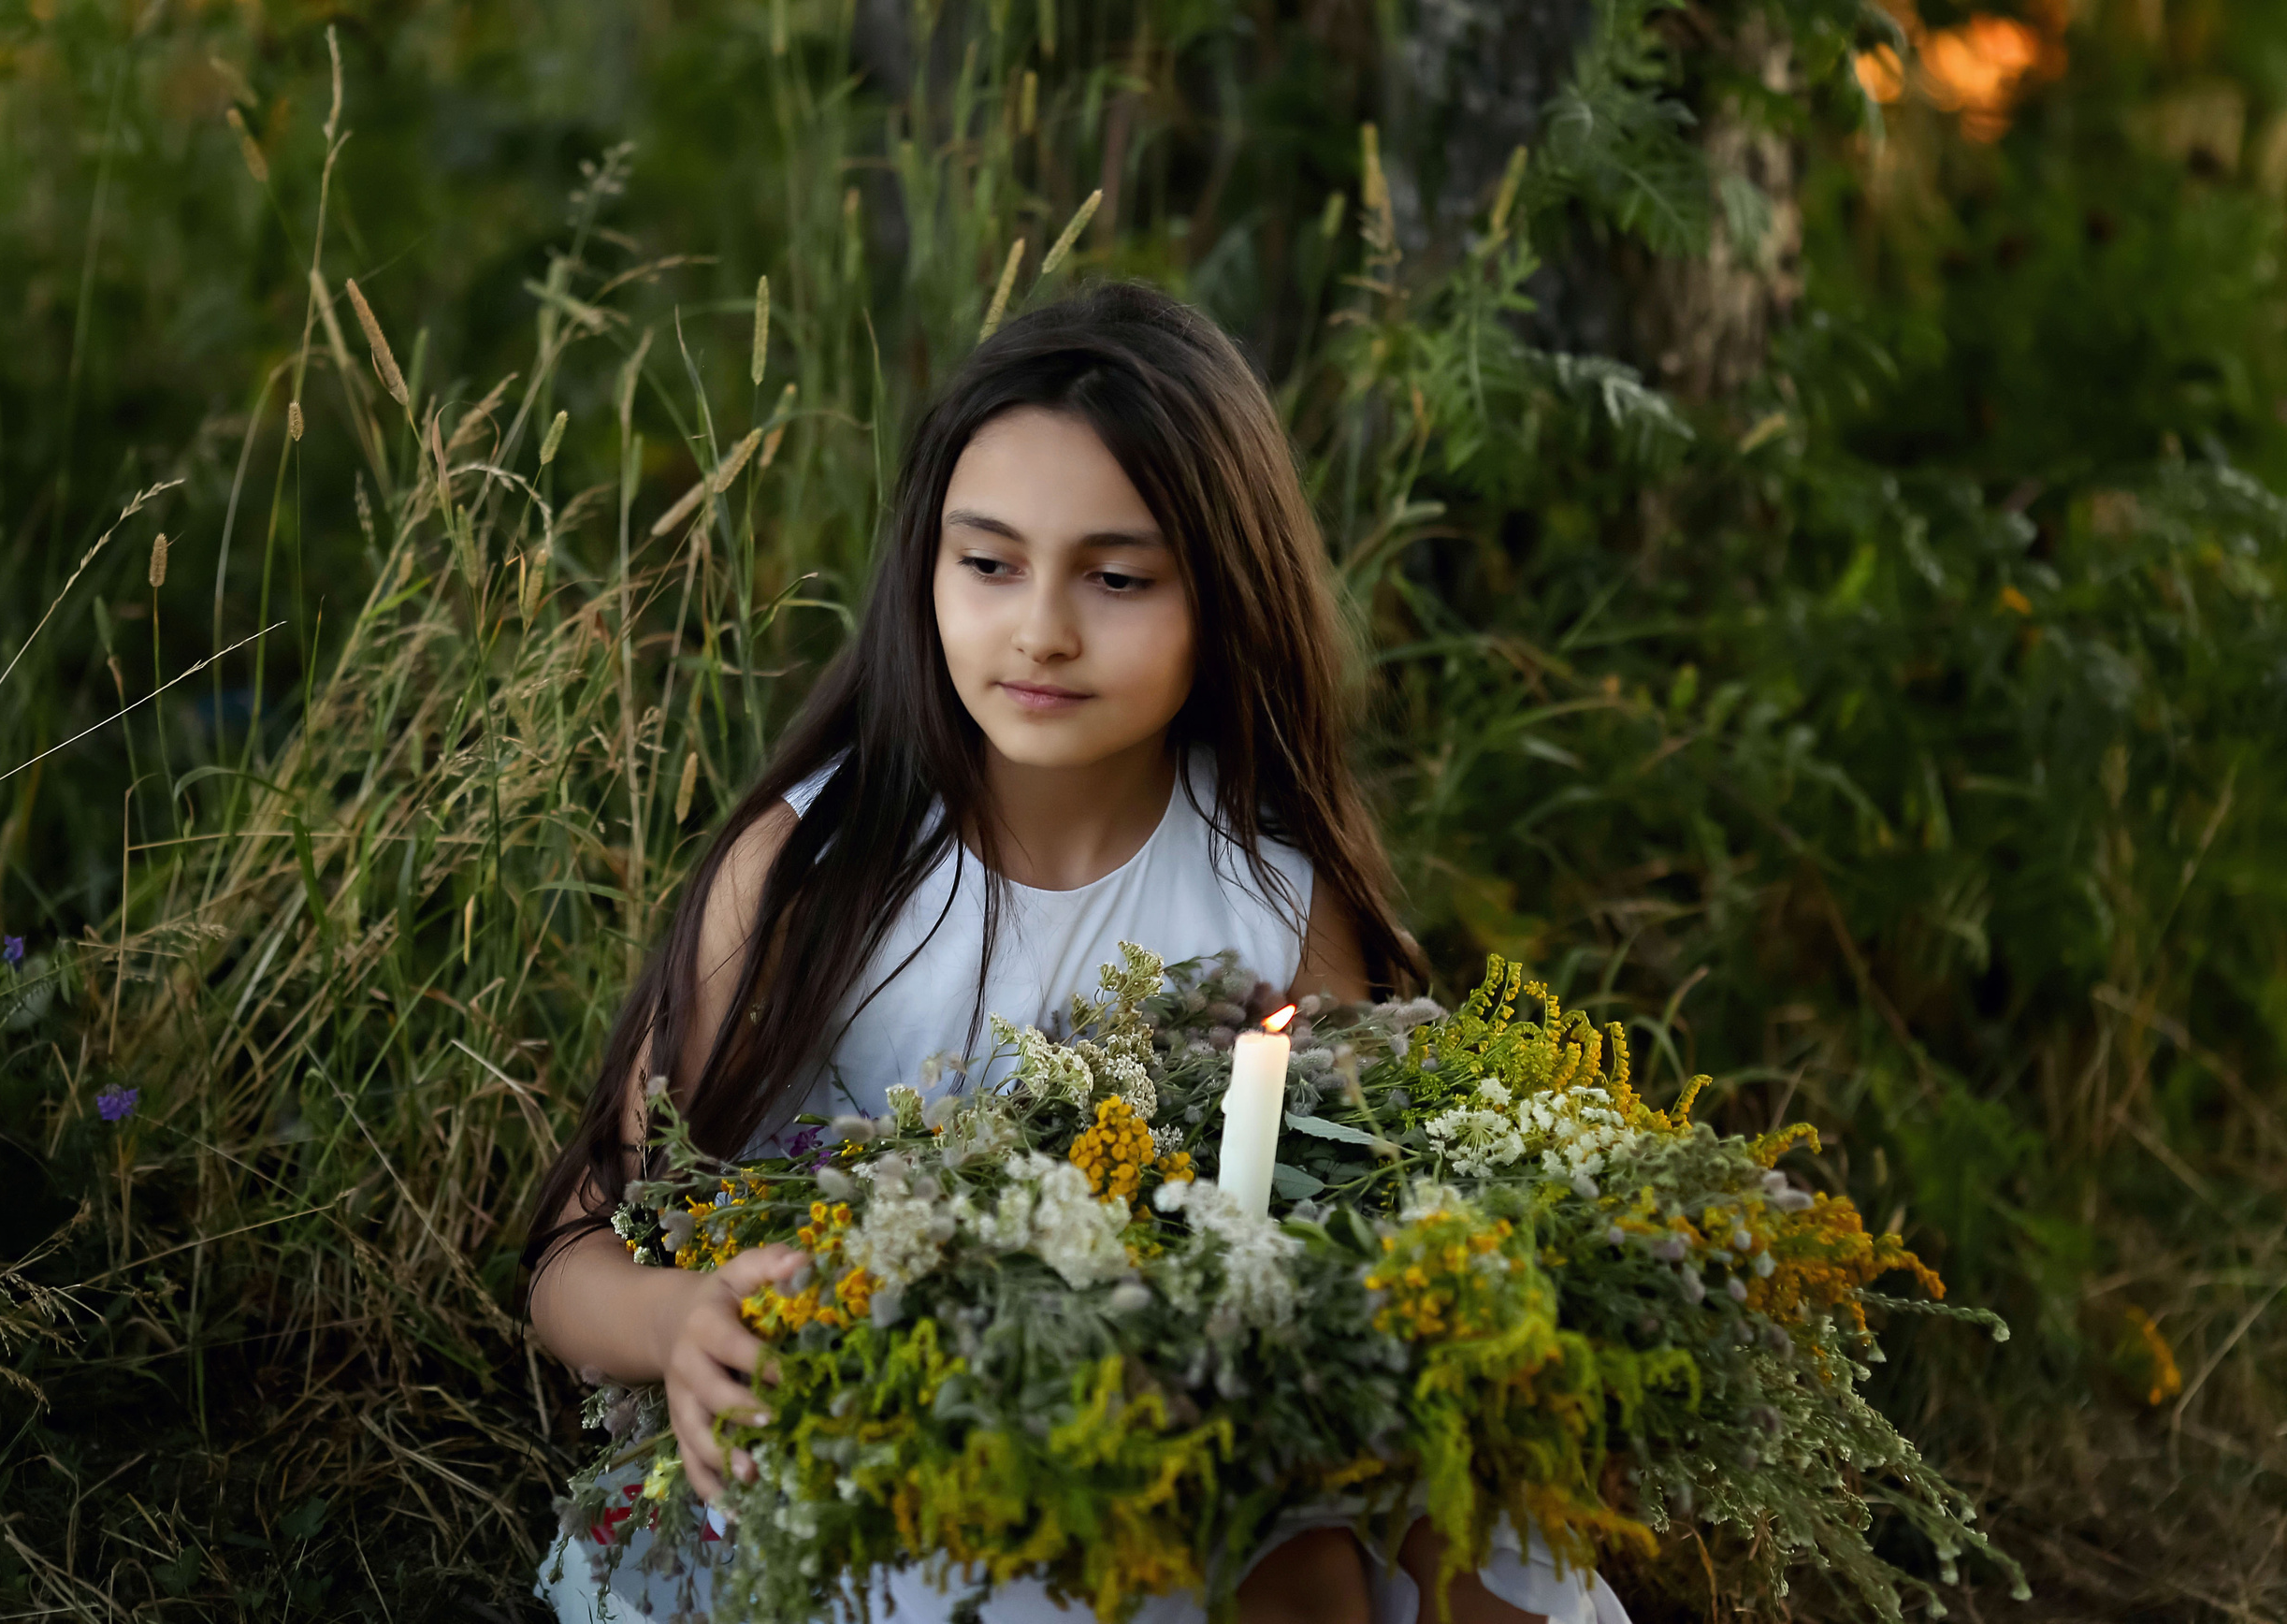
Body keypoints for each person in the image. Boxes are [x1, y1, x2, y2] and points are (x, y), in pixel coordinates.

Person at [527, 283, 1628, 1624]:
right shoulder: (817, 868)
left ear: (1222, 594)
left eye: (1115, 579)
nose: (1041, 627)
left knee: (1411, 1568)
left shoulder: (1272, 897)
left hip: (1202, 1435)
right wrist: (680, 1323)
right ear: (926, 567)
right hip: (869, 1445)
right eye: (988, 564)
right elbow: (576, 1251)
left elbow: (1360, 1242)